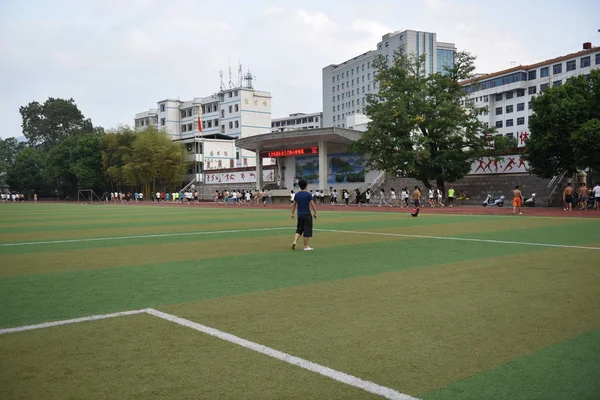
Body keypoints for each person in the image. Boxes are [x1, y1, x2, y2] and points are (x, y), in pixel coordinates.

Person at [290, 179, 317, 251]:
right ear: (306, 185)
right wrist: (315, 213)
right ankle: (306, 246)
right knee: (307, 230)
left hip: (300, 215)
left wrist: (292, 213)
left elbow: (294, 205)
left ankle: (295, 241)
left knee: (299, 229)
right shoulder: (308, 194)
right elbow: (312, 204)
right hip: (307, 214)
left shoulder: (297, 194)